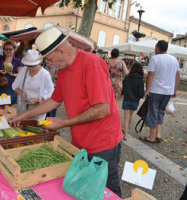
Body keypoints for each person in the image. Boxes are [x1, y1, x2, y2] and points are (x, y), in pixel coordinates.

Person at [9, 27, 123, 197]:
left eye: (48, 59)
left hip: (103, 143)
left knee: (107, 192)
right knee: (86, 189)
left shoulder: (92, 64)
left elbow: (102, 110)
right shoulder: (63, 70)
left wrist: (63, 123)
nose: (49, 64)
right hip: (81, 141)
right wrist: (23, 115)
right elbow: (54, 100)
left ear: (60, 51)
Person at [139, 40, 180, 143]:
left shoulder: (155, 59)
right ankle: (158, 134)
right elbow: (177, 76)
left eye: (155, 47)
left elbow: (150, 75)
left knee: (153, 112)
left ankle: (151, 137)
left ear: (158, 48)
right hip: (168, 91)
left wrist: (147, 90)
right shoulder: (174, 59)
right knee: (160, 111)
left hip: (156, 90)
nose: (155, 48)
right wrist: (175, 90)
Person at [12, 49, 54, 120]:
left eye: (33, 66)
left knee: (35, 127)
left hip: (39, 107)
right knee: (24, 125)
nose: (30, 68)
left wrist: (38, 99)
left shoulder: (45, 74)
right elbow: (14, 85)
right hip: (24, 106)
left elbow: (51, 92)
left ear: (39, 63)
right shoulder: (23, 70)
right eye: (28, 65)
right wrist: (20, 92)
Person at [121, 62, 145, 140]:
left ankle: (125, 134)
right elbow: (141, 93)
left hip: (127, 99)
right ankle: (126, 131)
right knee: (130, 115)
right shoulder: (140, 79)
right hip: (135, 101)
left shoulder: (127, 77)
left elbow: (124, 88)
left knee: (126, 116)